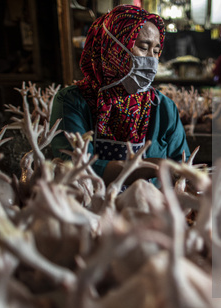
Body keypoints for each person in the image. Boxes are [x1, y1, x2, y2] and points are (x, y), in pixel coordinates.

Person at [50, 5, 190, 186]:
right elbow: (75, 168)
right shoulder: (72, 101)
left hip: (152, 210)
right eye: (143, 47)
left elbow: (184, 168)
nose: (151, 60)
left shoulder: (163, 107)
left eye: (156, 51)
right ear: (113, 48)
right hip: (92, 210)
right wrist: (151, 167)